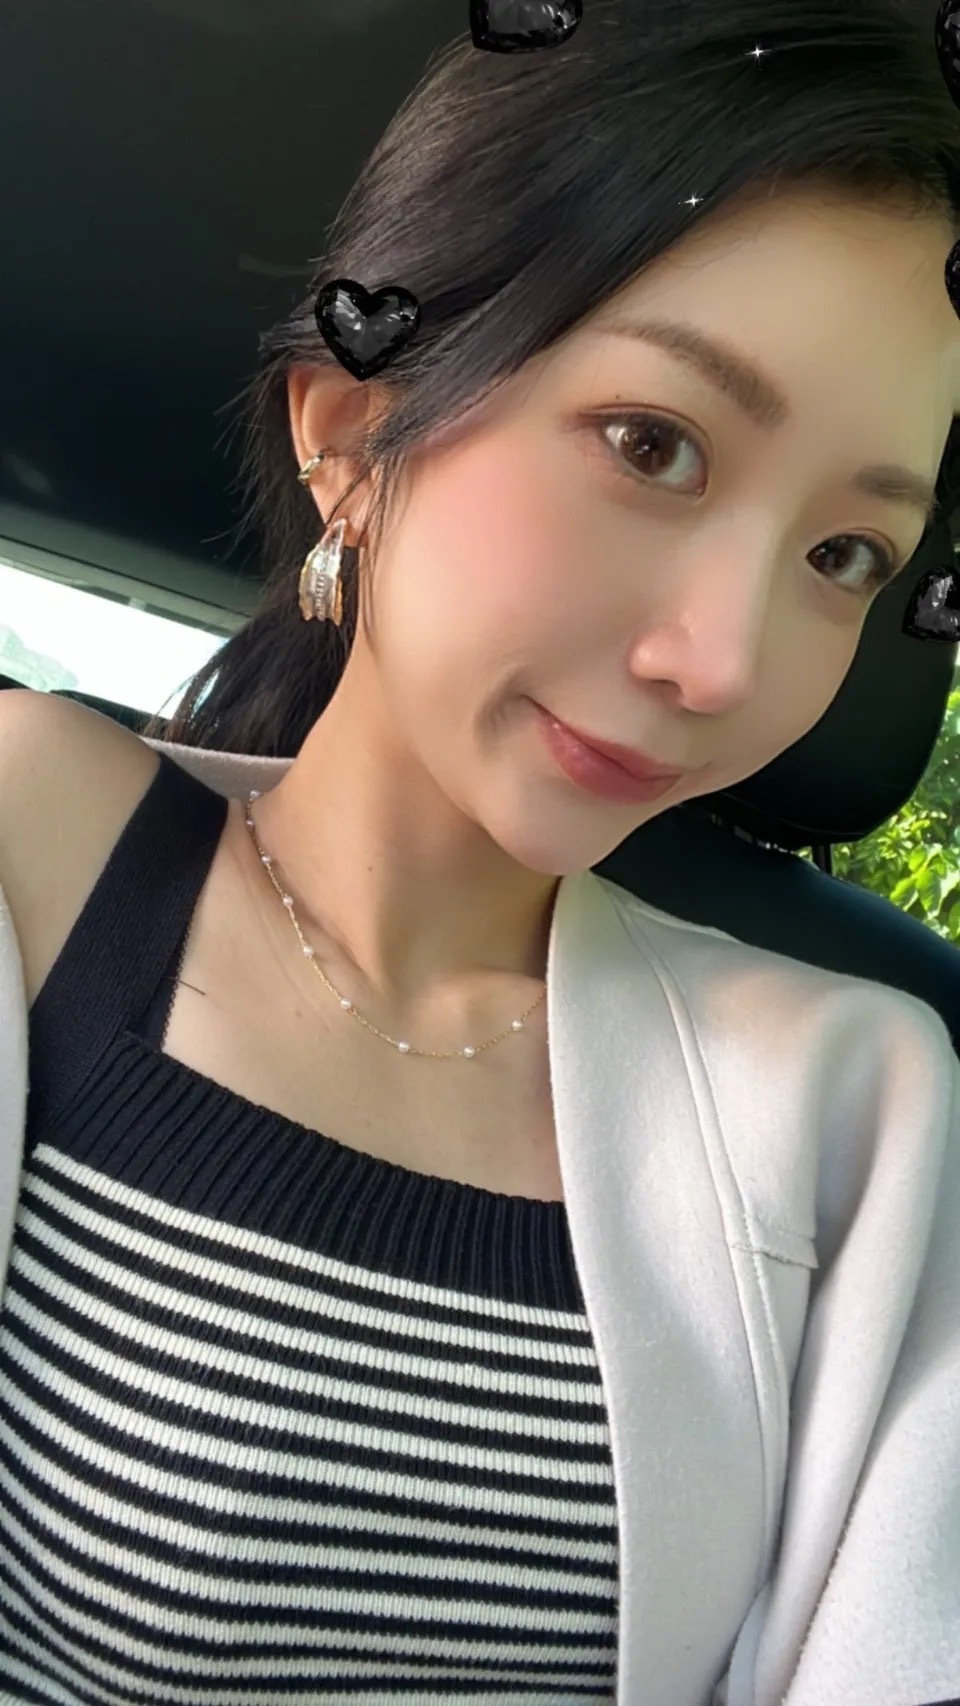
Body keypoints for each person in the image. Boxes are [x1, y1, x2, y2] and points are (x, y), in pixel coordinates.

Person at [1, 1, 959, 1701]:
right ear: (348, 433)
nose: (725, 662)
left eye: (844, 555)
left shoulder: (857, 1102)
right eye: (654, 444)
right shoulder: (39, 846)